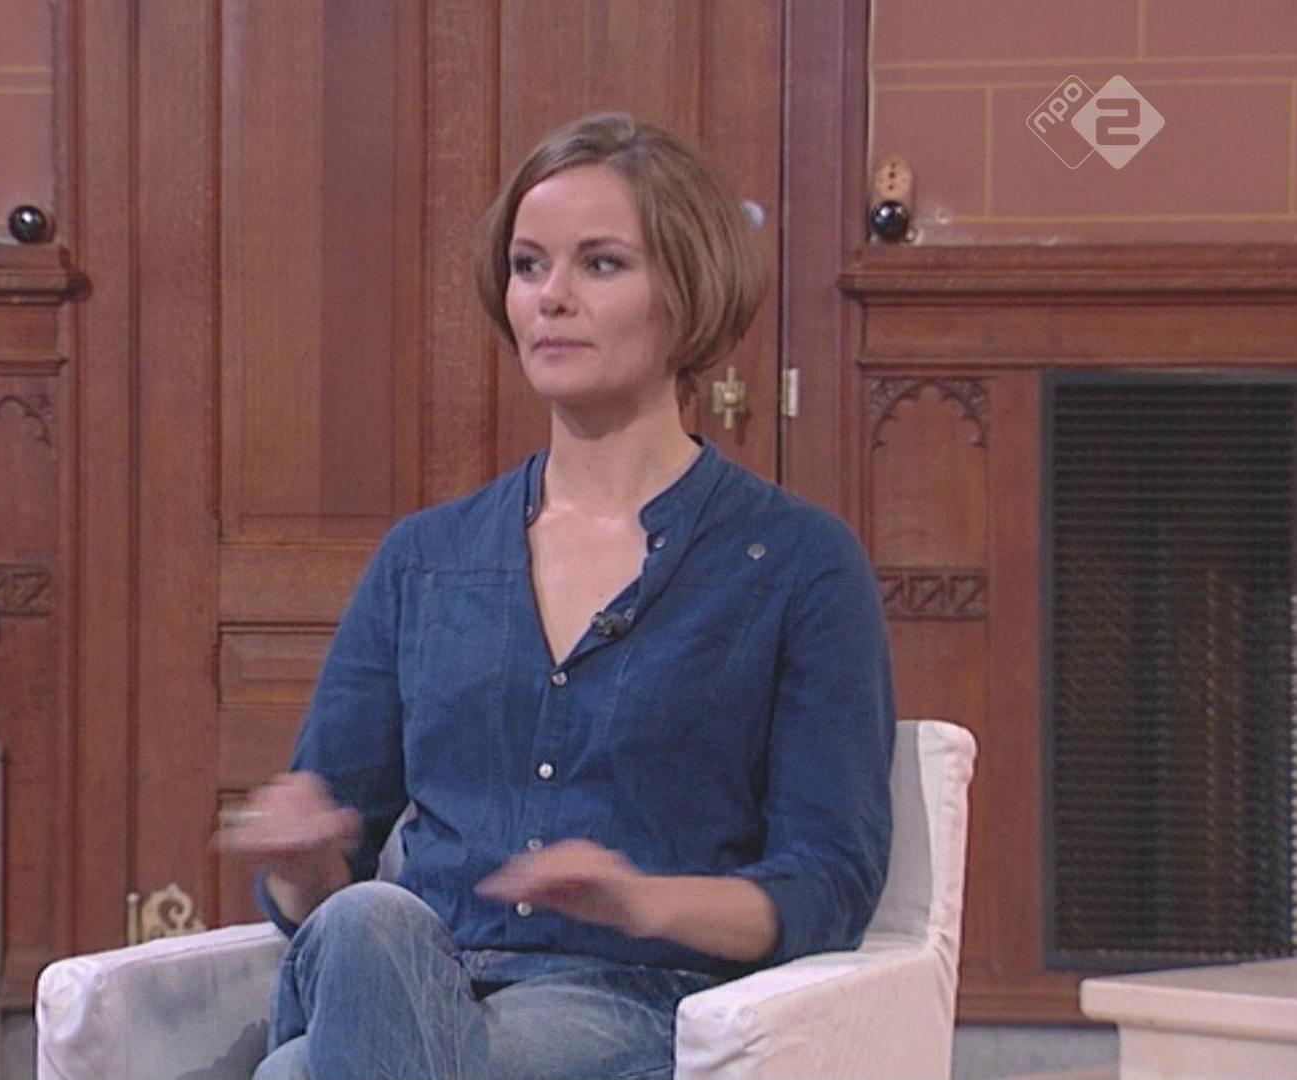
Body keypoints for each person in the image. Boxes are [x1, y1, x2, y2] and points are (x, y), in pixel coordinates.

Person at [217, 112, 895, 1080]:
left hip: (625, 1001)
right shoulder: (424, 561)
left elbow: (826, 886)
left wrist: (643, 900)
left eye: (601, 264)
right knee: (367, 924)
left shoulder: (796, 564)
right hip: (416, 976)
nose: (551, 297)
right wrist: (298, 859)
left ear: (690, 293)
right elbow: (327, 887)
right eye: (529, 266)